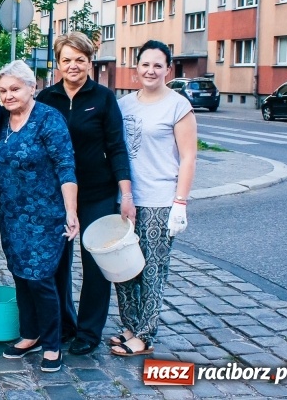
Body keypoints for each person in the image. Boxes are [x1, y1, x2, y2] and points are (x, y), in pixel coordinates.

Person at [36, 32, 134, 356]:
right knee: (57, 263)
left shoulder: (104, 98)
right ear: (58, 63)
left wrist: (126, 193)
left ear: (90, 62)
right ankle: (65, 324)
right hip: (56, 196)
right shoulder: (46, 99)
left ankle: (89, 331)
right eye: (67, 59)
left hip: (97, 193)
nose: (73, 65)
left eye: (80, 59)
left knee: (94, 265)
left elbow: (117, 147)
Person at [110, 40, 197, 357]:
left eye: (158, 65)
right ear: (136, 67)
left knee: (151, 269)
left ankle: (145, 335)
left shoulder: (177, 106)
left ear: (168, 70)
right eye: (145, 64)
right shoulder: (123, 105)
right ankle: (130, 327)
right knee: (124, 268)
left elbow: (188, 158)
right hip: (127, 200)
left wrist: (180, 202)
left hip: (160, 200)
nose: (151, 70)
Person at [0, 60, 79, 373]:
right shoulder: (1, 120)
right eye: (2, 90)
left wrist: (71, 211)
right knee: (19, 275)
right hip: (11, 215)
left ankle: (53, 343)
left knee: (41, 279)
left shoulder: (48, 119)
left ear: (32, 87)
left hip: (45, 215)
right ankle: (30, 334)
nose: (8, 95)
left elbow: (66, 166)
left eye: (15, 88)